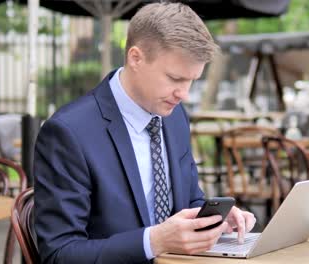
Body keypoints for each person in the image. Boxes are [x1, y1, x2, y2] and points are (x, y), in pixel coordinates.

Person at [34, 3, 256, 263]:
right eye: (175, 78)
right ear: (135, 58)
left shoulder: (174, 116)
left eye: (192, 81)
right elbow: (59, 254)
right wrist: (155, 241)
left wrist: (212, 218)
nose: (184, 94)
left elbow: (188, 199)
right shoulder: (68, 133)